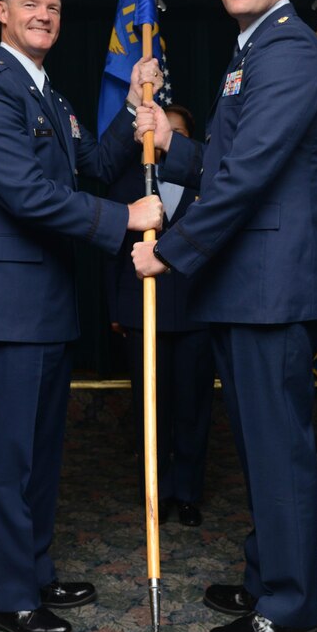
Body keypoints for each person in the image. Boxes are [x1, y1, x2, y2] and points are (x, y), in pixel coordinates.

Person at [132, 0, 317, 632]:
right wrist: (166, 130)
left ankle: (290, 607)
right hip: (249, 288)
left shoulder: (287, 51)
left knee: (276, 452)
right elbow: (225, 159)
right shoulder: (251, 52)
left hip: (269, 290)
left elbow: (247, 177)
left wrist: (173, 254)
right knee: (258, 448)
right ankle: (267, 577)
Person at [0, 0, 163, 632]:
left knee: (40, 454)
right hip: (8, 304)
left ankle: (35, 572)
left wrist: (134, 107)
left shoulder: (51, 97)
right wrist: (125, 220)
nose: (43, 13)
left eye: (52, 6)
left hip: (47, 302)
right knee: (6, 458)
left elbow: (88, 169)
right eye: (30, 3)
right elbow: (27, 195)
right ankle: (6, 597)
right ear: (2, 12)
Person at [105, 104, 215, 527]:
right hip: (142, 312)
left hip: (196, 313)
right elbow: (112, 252)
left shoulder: (208, 183)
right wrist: (116, 308)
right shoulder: (127, 180)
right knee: (151, 411)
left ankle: (187, 493)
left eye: (178, 133)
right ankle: (155, 493)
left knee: (193, 409)